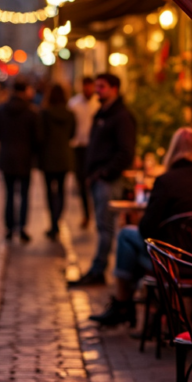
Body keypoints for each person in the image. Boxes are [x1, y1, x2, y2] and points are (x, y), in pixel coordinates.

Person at [90, 126, 192, 326]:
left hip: (174, 264)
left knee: (126, 236)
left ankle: (124, 304)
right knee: (135, 243)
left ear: (172, 151)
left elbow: (146, 230)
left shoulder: (166, 181)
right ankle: (152, 310)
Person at [69, 73, 136, 286]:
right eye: (96, 86)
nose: (97, 90)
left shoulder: (121, 116)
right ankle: (98, 268)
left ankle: (99, 270)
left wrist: (104, 173)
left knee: (105, 227)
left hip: (109, 181)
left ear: (114, 88)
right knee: (102, 226)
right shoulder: (104, 113)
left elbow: (126, 152)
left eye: (102, 87)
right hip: (99, 178)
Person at [0, 79, 40, 241]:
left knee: (9, 194)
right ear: (25, 91)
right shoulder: (31, 112)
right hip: (25, 158)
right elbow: (38, 137)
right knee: (24, 194)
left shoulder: (1, 110)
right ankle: (22, 227)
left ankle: (10, 228)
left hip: (6, 157)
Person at [40, 84, 75, 238]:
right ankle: (57, 221)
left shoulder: (45, 113)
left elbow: (40, 135)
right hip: (64, 156)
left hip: (47, 156)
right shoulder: (69, 114)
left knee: (49, 191)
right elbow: (72, 134)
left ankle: (53, 223)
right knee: (61, 190)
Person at [68, 76, 98, 227]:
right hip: (79, 147)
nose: (88, 89)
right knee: (81, 182)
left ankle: (96, 213)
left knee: (94, 181)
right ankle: (86, 214)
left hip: (95, 147)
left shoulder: (98, 104)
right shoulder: (74, 104)